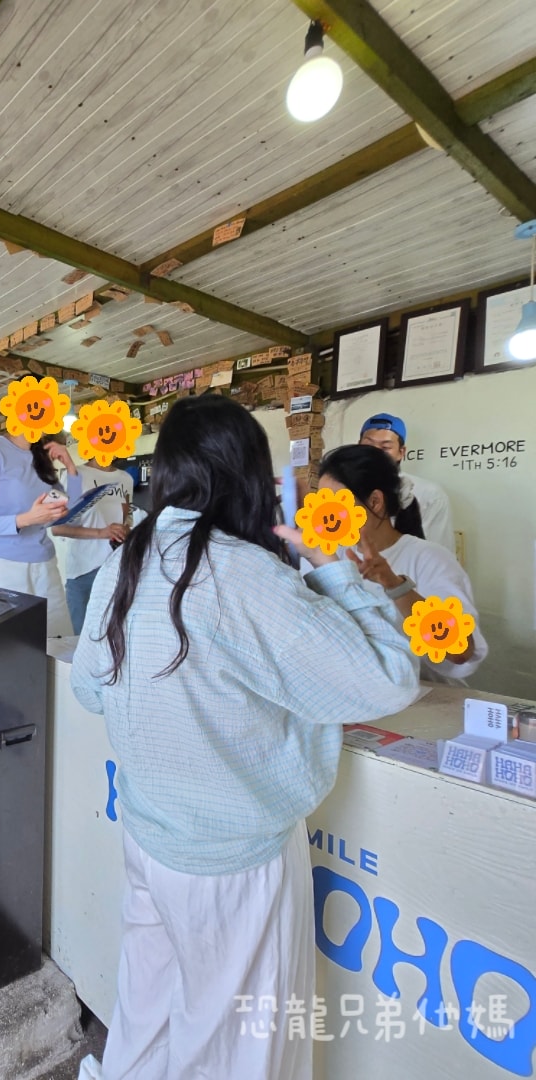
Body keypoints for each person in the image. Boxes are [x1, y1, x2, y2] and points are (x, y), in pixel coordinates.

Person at [70, 396, 419, 1080]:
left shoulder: (127, 561)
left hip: (148, 839)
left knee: (146, 1015)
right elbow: (389, 678)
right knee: (235, 1052)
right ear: (249, 475)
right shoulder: (247, 574)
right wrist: (334, 567)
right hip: (234, 863)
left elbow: (88, 688)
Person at [318, 444, 488, 684]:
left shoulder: (430, 559)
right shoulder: (334, 557)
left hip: (428, 698)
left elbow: (461, 652)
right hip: (368, 696)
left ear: (375, 502)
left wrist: (396, 586)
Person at [0, 432, 82, 637]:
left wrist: (70, 467)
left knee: (59, 642)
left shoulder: (42, 455)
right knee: (5, 645)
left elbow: (70, 515)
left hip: (46, 567)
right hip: (2, 568)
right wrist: (26, 519)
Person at [52, 460, 133, 635]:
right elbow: (57, 528)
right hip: (83, 571)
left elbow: (127, 520)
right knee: (80, 637)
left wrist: (126, 530)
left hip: (116, 569)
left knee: (115, 636)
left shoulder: (125, 478)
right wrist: (101, 532)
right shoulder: (73, 475)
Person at [359, 413, 454, 551]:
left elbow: (440, 555)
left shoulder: (430, 495)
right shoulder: (340, 489)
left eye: (385, 447)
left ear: (401, 452)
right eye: (368, 445)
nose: (375, 453)